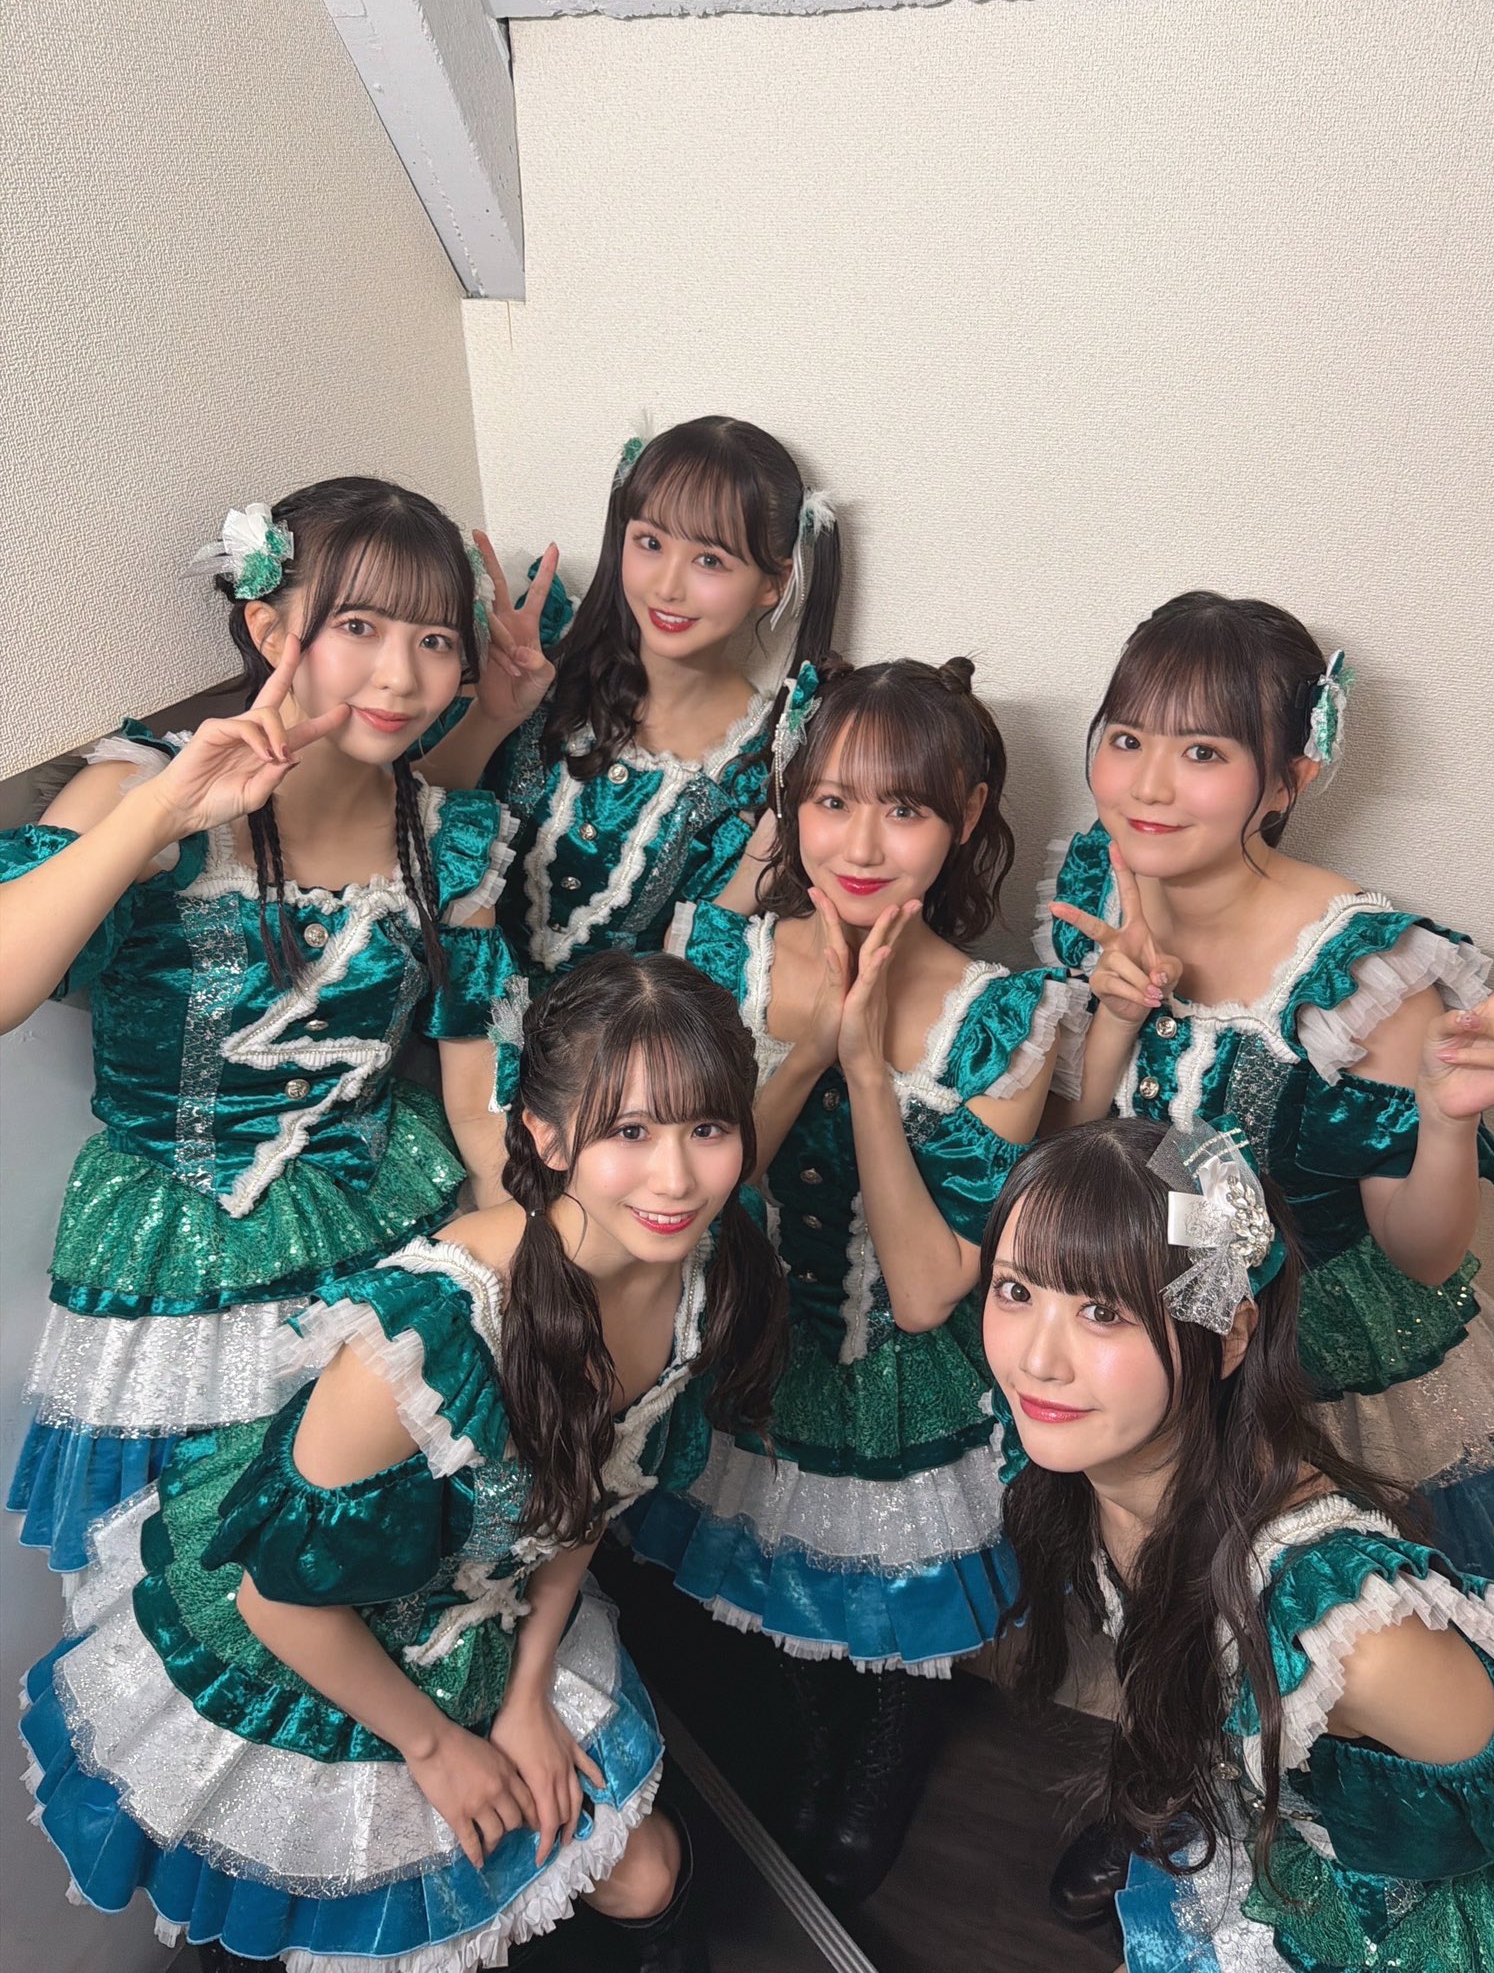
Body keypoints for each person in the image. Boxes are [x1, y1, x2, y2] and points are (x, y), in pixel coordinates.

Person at [22, 950, 790, 1972]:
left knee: (647, 1875)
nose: (677, 1178)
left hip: (488, 1617)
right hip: (320, 1651)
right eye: (630, 1131)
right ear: (545, 1134)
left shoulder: (705, 1267)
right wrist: (436, 1746)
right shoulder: (430, 1335)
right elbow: (277, 1601)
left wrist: (527, 1693)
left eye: (708, 1129)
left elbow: (593, 1493)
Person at [622, 655, 1087, 1902]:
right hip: (748, 1348)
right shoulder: (714, 954)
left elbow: (932, 1291)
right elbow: (688, 1203)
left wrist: (870, 1068)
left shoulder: (1010, 1015)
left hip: (902, 1369)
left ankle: (889, 1743)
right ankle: (809, 1746)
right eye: (831, 801)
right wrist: (807, 1050)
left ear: (967, 815)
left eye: (905, 808)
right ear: (794, 806)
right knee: (764, 1586)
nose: (862, 844)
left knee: (894, 1620)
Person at [2, 479, 518, 1571]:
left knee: (364, 1556)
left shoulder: (449, 837)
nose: (401, 675)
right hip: (175, 1250)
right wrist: (161, 811)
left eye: (435, 639)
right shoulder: (141, 783)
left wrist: (524, 1256)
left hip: (388, 1221)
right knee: (189, 1574)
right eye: (359, 626)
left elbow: (479, 1099)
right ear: (271, 630)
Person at [1041, 592, 1494, 1579]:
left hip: (1304, 1365)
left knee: (1290, 1625)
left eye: (1203, 751)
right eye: (1126, 738)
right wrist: (1117, 1020)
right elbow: (1064, 1156)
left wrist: (1443, 1123)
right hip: (1125, 1326)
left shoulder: (1364, 976)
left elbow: (1424, 1259)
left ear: (1289, 776)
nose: (1148, 784)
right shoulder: (1099, 890)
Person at [982, 1114, 1494, 1973]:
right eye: (1016, 1291)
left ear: (1230, 1335)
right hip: (1270, 1858)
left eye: (1103, 1311)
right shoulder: (1095, 1474)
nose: (1037, 1361)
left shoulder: (1351, 1638)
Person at [416, 416, 841, 983]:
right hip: (453, 1007)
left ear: (773, 583)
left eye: (710, 560)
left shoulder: (762, 768)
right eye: (650, 543)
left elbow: (703, 985)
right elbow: (402, 822)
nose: (667, 585)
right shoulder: (540, 658)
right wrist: (492, 718)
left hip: (628, 1034)